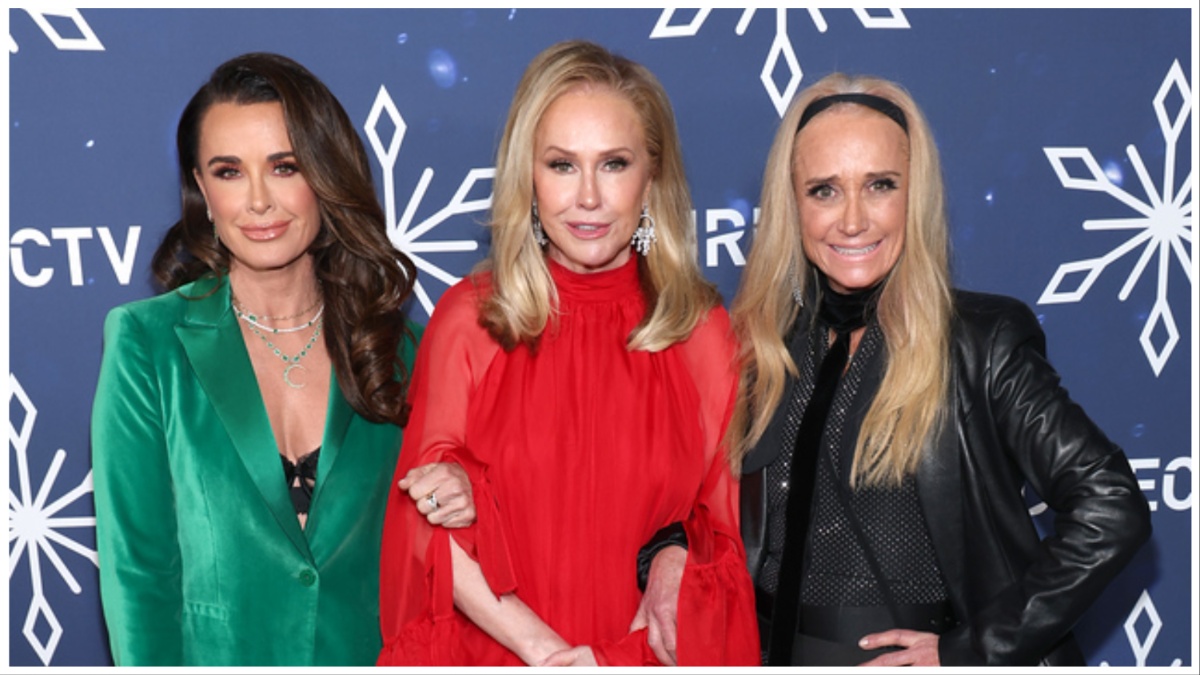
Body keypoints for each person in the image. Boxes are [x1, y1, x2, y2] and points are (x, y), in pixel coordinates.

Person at [643, 72, 1152, 666]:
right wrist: (671, 550)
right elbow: (704, 504)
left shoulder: (980, 343)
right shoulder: (762, 348)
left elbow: (1111, 507)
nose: (852, 220)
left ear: (916, 195)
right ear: (792, 205)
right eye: (824, 190)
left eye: (880, 185)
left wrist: (970, 651)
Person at [375, 40, 759, 667]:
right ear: (528, 175)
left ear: (652, 177)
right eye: (561, 165)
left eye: (613, 164)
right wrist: (552, 656)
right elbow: (423, 531)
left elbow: (725, 539)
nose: (587, 197)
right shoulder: (470, 321)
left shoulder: (699, 331)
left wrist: (619, 646)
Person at [91, 52, 473, 667]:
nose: (259, 201)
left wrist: (463, 495)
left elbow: (445, 551)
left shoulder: (400, 351)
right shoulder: (147, 343)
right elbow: (139, 574)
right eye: (229, 172)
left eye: (284, 166)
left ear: (325, 175)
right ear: (202, 190)